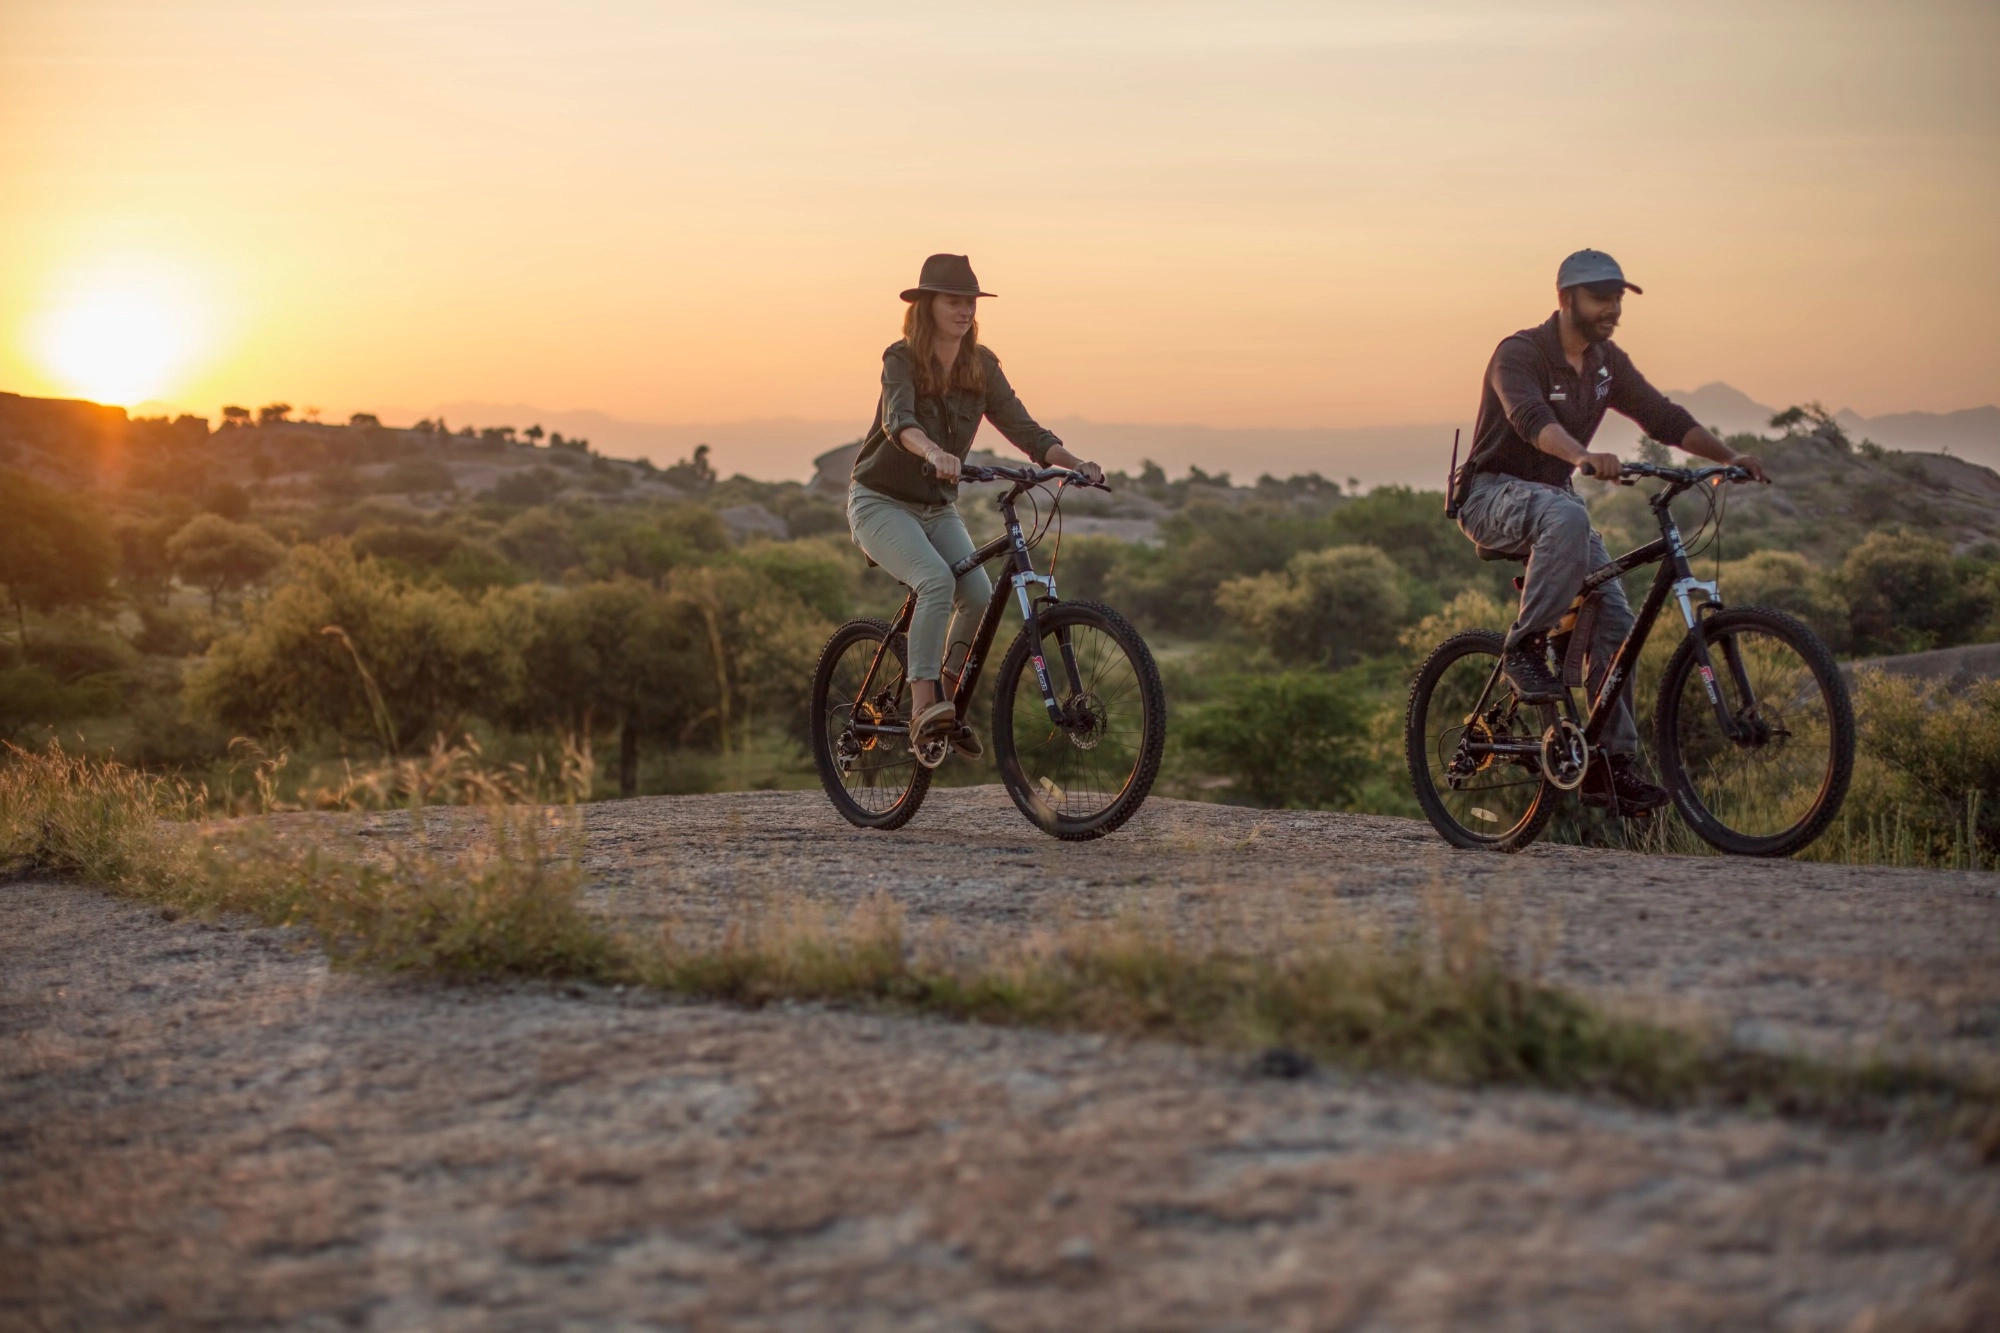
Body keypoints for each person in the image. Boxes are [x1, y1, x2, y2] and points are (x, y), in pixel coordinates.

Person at [1452, 249, 1768, 813]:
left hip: (1555, 506)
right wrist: (1581, 454)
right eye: (1602, 298)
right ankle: (1525, 647)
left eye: (1619, 299)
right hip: (1492, 494)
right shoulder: (1519, 354)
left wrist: (1728, 457)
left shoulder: (1605, 364)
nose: (1613, 310)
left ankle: (1608, 764)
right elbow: (1531, 423)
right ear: (1566, 298)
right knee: (1568, 514)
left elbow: (1663, 417)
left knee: (1616, 622)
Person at [848, 253, 1104, 758]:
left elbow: (1024, 429)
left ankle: (944, 699)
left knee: (979, 594)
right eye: (953, 300)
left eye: (970, 302)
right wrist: (935, 452)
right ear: (927, 305)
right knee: (936, 580)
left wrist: (1074, 464)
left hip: (936, 506)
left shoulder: (981, 365)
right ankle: (923, 708)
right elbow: (896, 422)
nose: (965, 310)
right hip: (879, 502)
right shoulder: (900, 358)